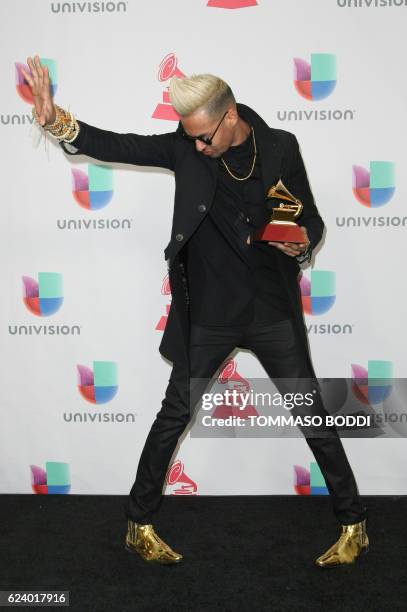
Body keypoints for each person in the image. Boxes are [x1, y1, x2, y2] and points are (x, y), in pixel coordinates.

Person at [21, 55, 369, 568]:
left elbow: (311, 218)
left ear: (230, 117)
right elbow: (120, 144)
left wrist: (302, 243)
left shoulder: (279, 148)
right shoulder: (186, 147)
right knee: (173, 417)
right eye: (191, 137)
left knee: (310, 412)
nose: (198, 145)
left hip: (271, 309)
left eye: (205, 135)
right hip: (207, 314)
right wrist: (56, 122)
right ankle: (138, 525)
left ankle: (353, 524)